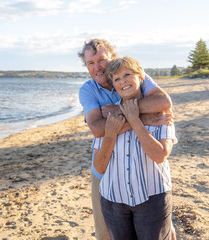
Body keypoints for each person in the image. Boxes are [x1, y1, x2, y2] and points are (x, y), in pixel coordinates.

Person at [78, 39, 174, 240]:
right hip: (106, 172)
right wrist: (143, 117)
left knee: (160, 226)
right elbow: (97, 129)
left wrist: (119, 115)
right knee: (105, 233)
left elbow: (163, 102)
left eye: (102, 60)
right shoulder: (88, 90)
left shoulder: (134, 73)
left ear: (113, 57)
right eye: (90, 63)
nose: (97, 67)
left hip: (148, 181)